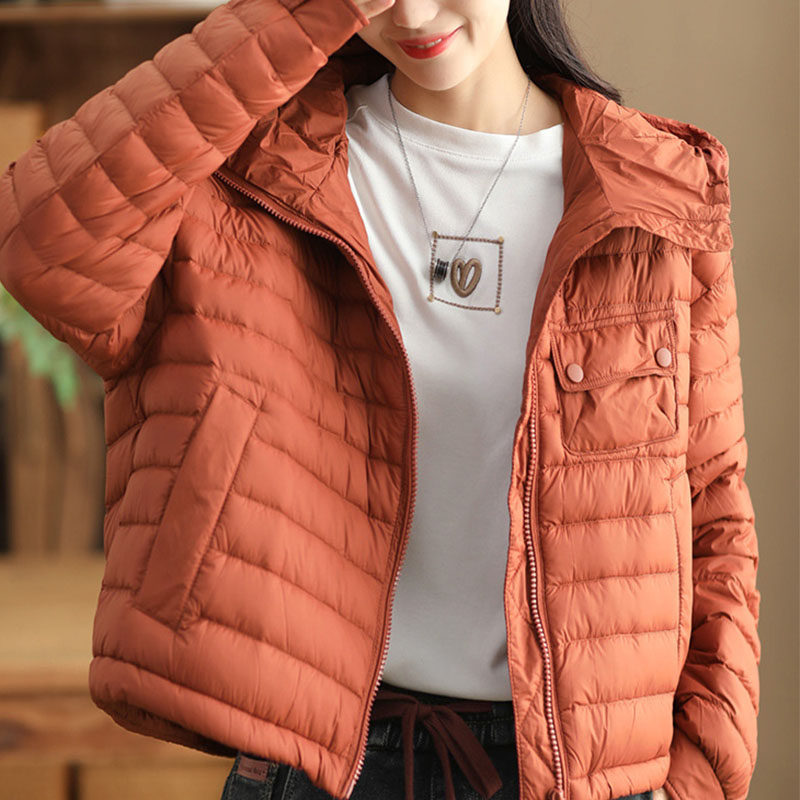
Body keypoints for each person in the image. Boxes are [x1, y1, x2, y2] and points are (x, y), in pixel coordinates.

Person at [0, 0, 760, 798]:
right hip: (319, 765)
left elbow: (712, 510)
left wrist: (696, 782)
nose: (414, 12)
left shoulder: (656, 191)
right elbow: (41, 246)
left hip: (578, 777)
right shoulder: (249, 168)